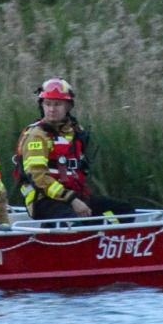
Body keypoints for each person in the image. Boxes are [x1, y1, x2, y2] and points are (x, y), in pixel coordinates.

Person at [13, 77, 133, 220]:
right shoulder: (37, 136)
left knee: (125, 210)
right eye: (48, 104)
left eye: (57, 104)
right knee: (75, 224)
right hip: (45, 201)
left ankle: (108, 240)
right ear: (42, 105)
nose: (51, 109)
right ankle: (89, 238)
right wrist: (72, 200)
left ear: (68, 106)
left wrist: (78, 199)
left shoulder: (75, 132)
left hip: (76, 196)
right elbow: (38, 177)